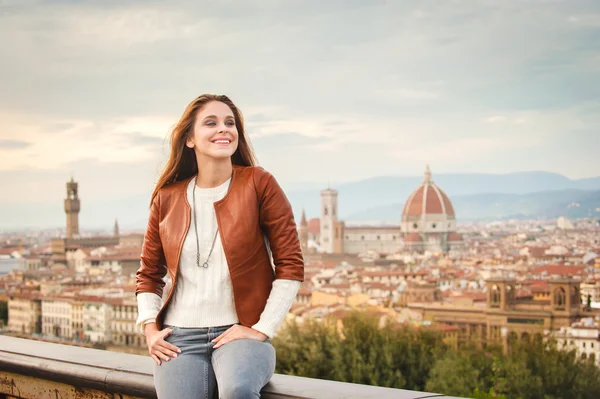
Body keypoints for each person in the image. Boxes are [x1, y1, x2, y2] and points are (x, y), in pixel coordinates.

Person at [135, 94, 304, 399]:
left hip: (239, 331)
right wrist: (149, 328)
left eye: (230, 123)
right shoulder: (167, 198)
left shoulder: (259, 183)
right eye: (210, 123)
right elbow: (148, 274)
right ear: (189, 138)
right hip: (179, 335)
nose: (223, 129)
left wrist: (261, 328)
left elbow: (291, 264)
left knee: (238, 391)